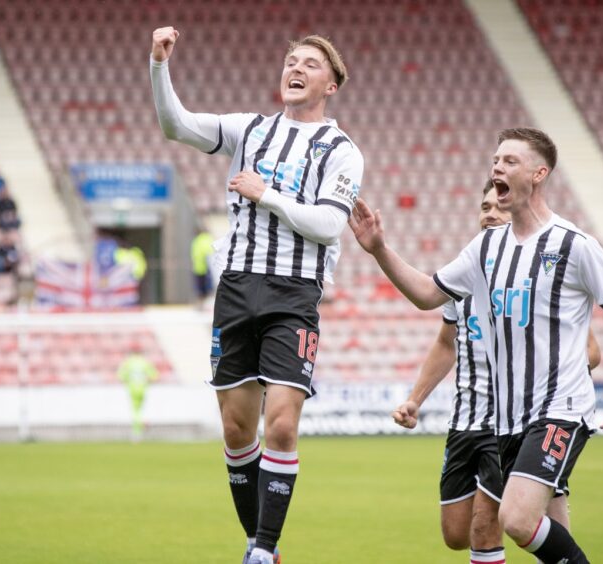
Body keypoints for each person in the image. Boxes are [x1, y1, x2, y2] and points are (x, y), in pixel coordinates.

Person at [351, 127, 603, 564]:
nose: (497, 167)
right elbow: (429, 294)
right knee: (551, 532)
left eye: (509, 161)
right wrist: (379, 250)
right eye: (495, 160)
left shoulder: (574, 245)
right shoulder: (486, 247)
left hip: (559, 409)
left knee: (516, 520)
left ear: (539, 173)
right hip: (505, 420)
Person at [151, 27, 363, 564]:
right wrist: (159, 65)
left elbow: (328, 225)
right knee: (236, 427)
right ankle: (257, 543)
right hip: (237, 288)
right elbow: (176, 125)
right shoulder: (250, 130)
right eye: (291, 59)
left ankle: (264, 551)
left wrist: (265, 193)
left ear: (331, 84)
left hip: (294, 294)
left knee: (283, 422)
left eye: (311, 63)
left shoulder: (341, 151)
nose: (296, 67)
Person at [392, 180, 602, 564]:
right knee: (456, 533)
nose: (489, 213)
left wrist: (540, 370)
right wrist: (415, 399)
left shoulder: (535, 281)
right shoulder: (463, 280)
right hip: (464, 421)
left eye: (499, 208)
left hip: (513, 419)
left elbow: (590, 351)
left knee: (487, 524)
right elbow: (445, 343)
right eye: (484, 206)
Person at [117, 343, 159, 441]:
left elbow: (121, 376)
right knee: (139, 409)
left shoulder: (128, 362)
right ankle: (139, 428)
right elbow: (154, 376)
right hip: (142, 388)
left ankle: (138, 430)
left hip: (132, 388)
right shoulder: (145, 362)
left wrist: (128, 380)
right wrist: (147, 380)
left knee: (135, 410)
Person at [190, 226, 214, 309]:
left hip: (199, 268)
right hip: (205, 268)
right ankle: (205, 306)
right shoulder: (207, 239)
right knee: (206, 289)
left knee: (201, 289)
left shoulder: (197, 240)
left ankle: (202, 305)